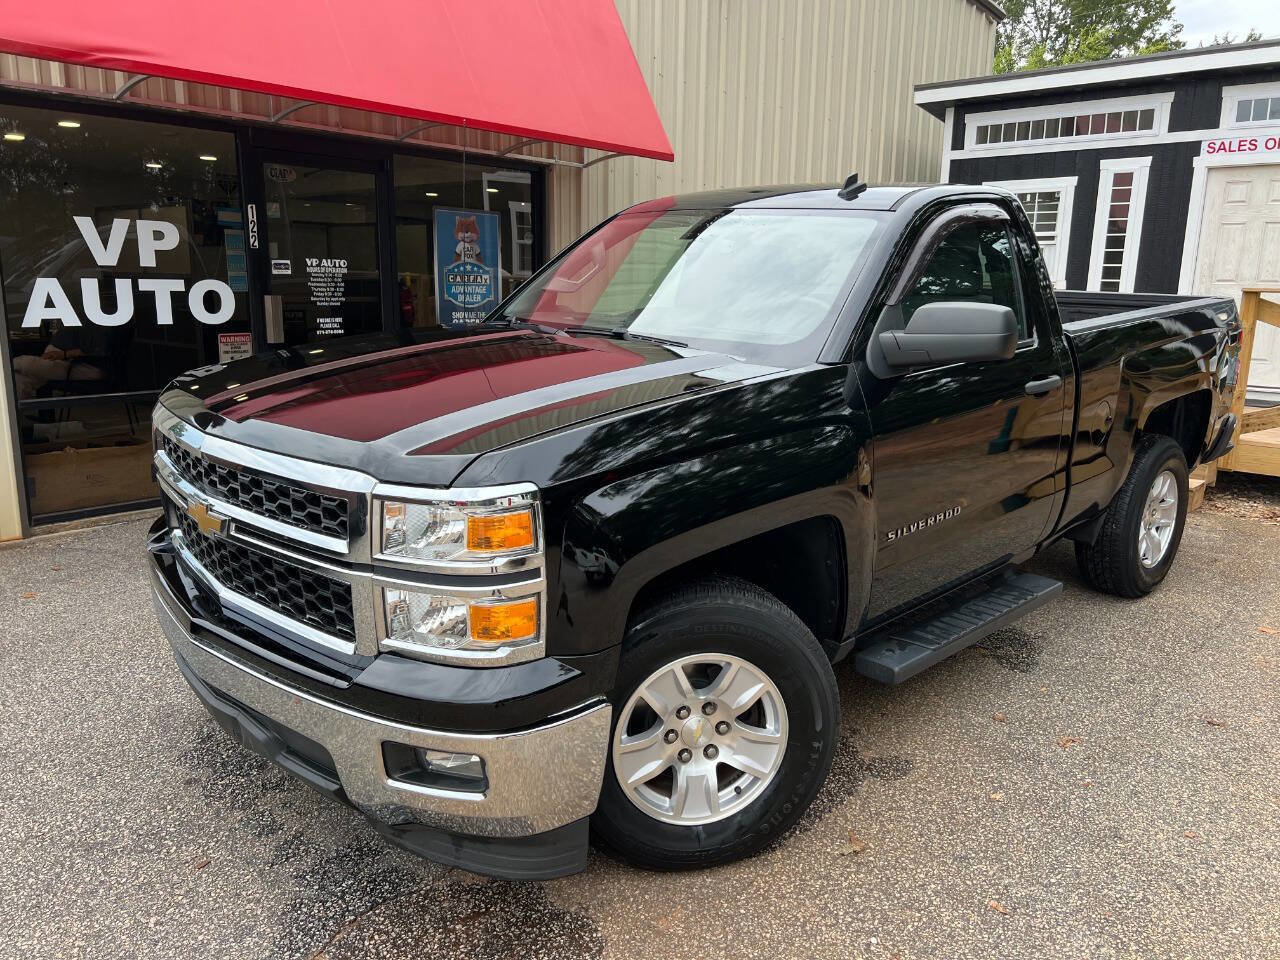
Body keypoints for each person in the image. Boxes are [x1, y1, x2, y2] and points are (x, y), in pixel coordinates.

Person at [12, 323, 106, 401]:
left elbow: (100, 349)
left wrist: (65, 354)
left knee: (24, 365)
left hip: (79, 363)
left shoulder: (104, 322)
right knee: (20, 379)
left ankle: (10, 367)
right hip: (61, 356)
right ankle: (14, 411)